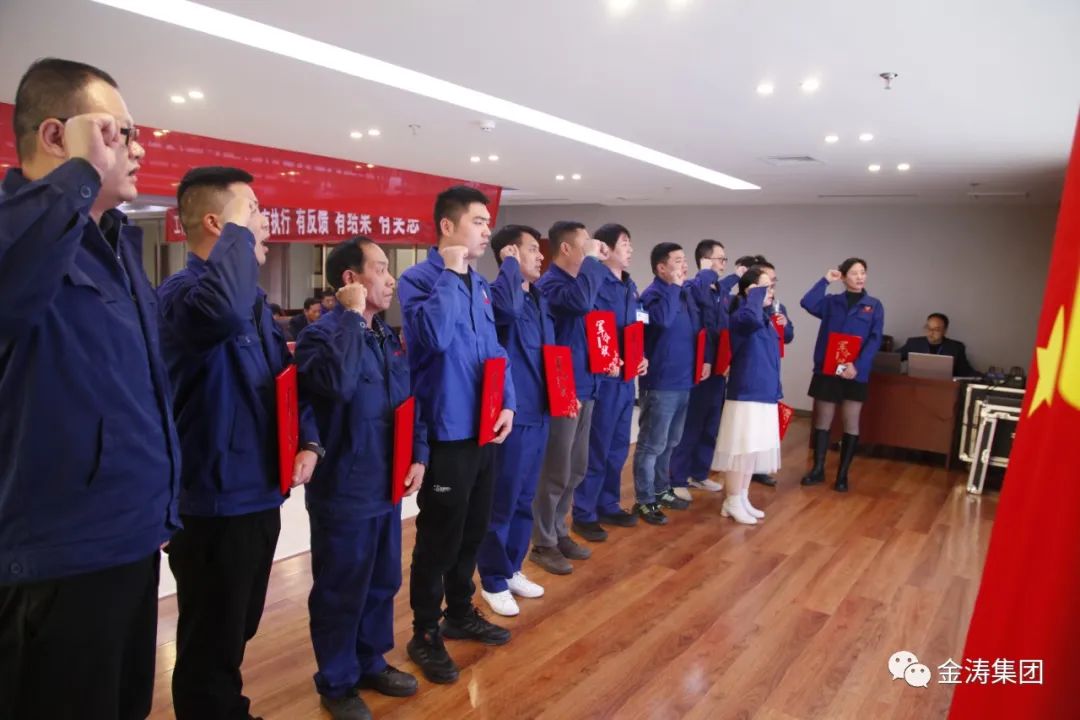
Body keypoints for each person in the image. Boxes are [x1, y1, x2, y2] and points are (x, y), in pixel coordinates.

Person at [0, 57, 181, 720]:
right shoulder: (19, 229)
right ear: (57, 136)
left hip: (130, 538)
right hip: (59, 558)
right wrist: (78, 174)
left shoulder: (115, 242)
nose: (138, 149)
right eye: (118, 132)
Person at [157, 166, 321, 720]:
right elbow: (218, 312)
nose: (265, 221)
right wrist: (237, 235)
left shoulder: (252, 302)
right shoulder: (184, 297)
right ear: (216, 224)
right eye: (252, 210)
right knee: (211, 635)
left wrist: (309, 441)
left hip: (258, 490)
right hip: (213, 500)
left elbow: (284, 384)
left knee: (238, 623)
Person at [296, 237, 426, 720]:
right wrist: (351, 317)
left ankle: (371, 661)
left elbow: (409, 401)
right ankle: (337, 680)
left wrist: (419, 454)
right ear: (350, 279)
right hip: (344, 487)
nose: (391, 280)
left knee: (382, 579)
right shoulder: (320, 336)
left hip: (387, 482)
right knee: (341, 588)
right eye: (380, 269)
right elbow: (338, 383)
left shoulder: (386, 336)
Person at [397, 185, 516, 684]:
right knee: (439, 536)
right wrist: (450, 272)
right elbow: (435, 337)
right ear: (447, 226)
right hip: (445, 432)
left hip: (484, 428)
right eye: (477, 221)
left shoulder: (481, 285)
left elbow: (494, 350)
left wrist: (508, 401)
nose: (487, 231)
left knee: (473, 529)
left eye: (488, 222)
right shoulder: (419, 280)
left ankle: (460, 611)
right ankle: (424, 631)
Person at [476, 224, 553, 617]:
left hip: (541, 409)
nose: (541, 256)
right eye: (532, 249)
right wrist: (508, 267)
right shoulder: (496, 292)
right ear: (510, 252)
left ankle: (511, 567)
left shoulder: (538, 297)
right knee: (502, 501)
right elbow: (506, 311)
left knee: (525, 498)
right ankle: (492, 579)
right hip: (512, 414)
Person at [531, 221, 611, 574]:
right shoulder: (551, 284)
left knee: (576, 468)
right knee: (555, 471)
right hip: (563, 388)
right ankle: (543, 541)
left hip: (586, 385)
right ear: (565, 248)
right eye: (585, 243)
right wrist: (593, 260)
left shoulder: (582, 282)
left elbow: (589, 326)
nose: (591, 247)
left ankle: (559, 530)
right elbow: (579, 303)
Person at [572, 223, 648, 540]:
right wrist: (607, 358)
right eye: (624, 242)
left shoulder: (630, 286)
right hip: (603, 379)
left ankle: (608, 503)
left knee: (617, 448)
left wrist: (641, 357)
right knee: (597, 448)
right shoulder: (596, 282)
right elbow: (589, 328)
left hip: (626, 379)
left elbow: (636, 328)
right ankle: (584, 512)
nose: (630, 249)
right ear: (605, 248)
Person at [631, 242, 711, 524]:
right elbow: (662, 321)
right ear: (661, 267)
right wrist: (675, 287)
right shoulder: (652, 295)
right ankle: (644, 500)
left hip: (683, 381)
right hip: (660, 383)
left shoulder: (684, 294)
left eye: (684, 260)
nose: (684, 265)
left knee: (670, 442)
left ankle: (661, 489)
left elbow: (698, 327)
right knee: (651, 444)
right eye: (677, 261)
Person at [799, 258, 885, 492]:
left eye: (863, 272)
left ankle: (842, 475)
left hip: (854, 371)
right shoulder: (831, 302)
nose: (860, 277)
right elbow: (807, 302)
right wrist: (825, 280)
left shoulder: (874, 305)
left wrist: (857, 365)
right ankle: (817, 469)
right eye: (854, 273)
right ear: (844, 276)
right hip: (828, 368)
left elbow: (875, 339)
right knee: (823, 419)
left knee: (851, 421)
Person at [669, 240, 741, 498]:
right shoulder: (694, 286)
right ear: (705, 261)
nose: (723, 264)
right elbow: (702, 323)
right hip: (700, 366)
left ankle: (698, 473)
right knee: (692, 423)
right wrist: (706, 271)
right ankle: (677, 478)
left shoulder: (720, 291)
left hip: (718, 367)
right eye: (720, 259)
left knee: (711, 423)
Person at [712, 269, 783, 524]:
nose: (769, 292)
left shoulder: (765, 318)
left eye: (771, 287)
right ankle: (732, 499)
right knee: (741, 450)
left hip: (764, 392)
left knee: (752, 451)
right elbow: (749, 317)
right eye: (764, 287)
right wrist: (754, 295)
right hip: (747, 392)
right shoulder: (743, 315)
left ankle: (741, 496)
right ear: (749, 291)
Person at [748, 258, 794, 487]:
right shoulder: (747, 307)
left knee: (767, 425)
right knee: (750, 426)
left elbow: (789, 337)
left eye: (774, 281)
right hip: (752, 373)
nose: (772, 286)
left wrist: (785, 325)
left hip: (771, 370)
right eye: (767, 282)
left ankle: (760, 468)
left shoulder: (778, 306)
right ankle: (745, 469)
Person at [897, 313, 977, 377]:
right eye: (928, 328)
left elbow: (966, 371)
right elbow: (894, 358)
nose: (931, 332)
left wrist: (983, 378)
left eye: (936, 330)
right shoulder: (913, 343)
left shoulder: (956, 347)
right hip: (916, 385)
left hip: (943, 386)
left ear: (945, 331)